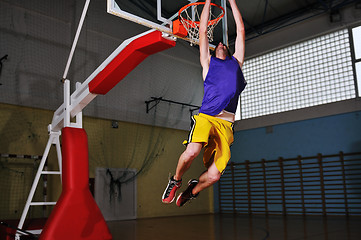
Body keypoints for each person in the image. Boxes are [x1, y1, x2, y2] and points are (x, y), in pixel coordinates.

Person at [162, 0, 247, 207]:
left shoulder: (236, 62)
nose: (220, 44)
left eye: (223, 44)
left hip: (226, 124)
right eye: (217, 43)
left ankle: (193, 190)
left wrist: (232, 2)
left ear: (227, 50)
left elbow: (241, 29)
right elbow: (202, 31)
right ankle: (175, 180)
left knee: (215, 175)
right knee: (191, 151)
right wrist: (208, 1)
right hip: (207, 117)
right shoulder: (208, 63)